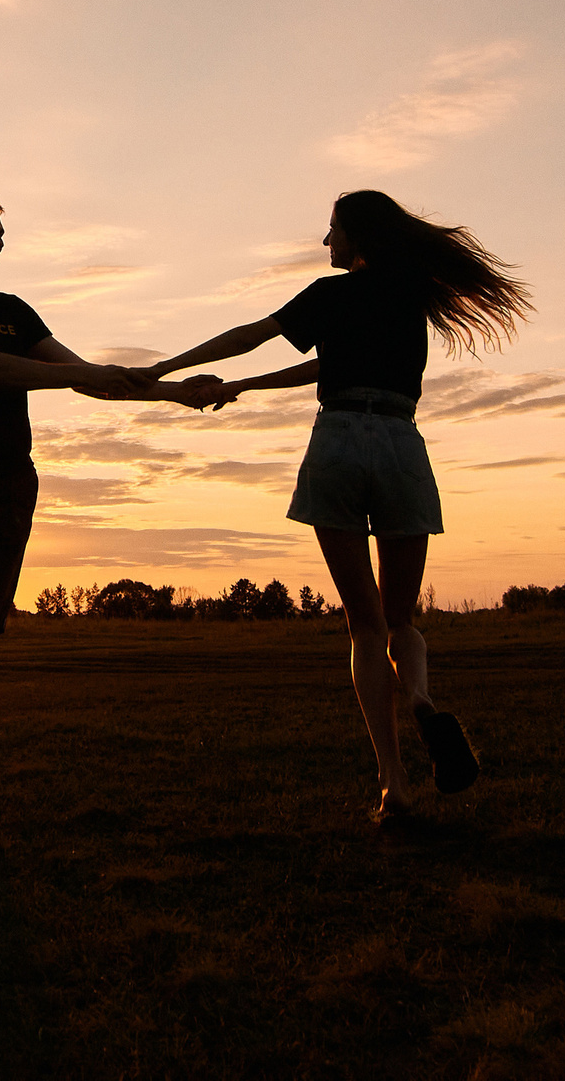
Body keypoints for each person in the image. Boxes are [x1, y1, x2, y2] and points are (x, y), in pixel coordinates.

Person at [141, 189, 532, 826]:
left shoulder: (328, 296)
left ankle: (394, 784)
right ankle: (425, 699)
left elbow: (250, 336)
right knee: (402, 620)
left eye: (332, 231)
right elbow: (327, 363)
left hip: (340, 443)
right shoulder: (412, 297)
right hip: (402, 443)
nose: (327, 244)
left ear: (356, 235)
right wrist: (242, 388)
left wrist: (168, 366)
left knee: (365, 626)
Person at [0, 191, 200, 850]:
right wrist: (79, 375)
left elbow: (83, 375)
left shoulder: (13, 311)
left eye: (2, 232)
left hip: (2, 489)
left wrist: (174, 391)